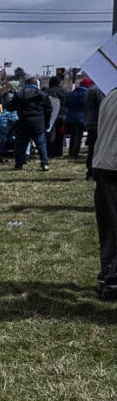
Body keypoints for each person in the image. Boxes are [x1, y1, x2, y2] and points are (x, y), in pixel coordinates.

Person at [92, 85, 117, 301]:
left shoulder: (110, 96)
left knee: (109, 229)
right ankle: (113, 280)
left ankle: (106, 276)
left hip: (103, 164)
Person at [6, 77, 52, 172]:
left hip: (23, 122)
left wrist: (6, 100)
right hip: (38, 122)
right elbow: (49, 109)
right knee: (41, 144)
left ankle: (19, 164)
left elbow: (10, 108)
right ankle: (44, 163)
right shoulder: (42, 94)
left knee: (20, 145)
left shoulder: (19, 94)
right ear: (36, 84)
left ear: (26, 84)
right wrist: (46, 122)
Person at [85, 78, 105, 181]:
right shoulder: (98, 90)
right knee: (97, 148)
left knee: (92, 148)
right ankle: (93, 171)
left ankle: (90, 171)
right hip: (98, 123)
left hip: (91, 122)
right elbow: (103, 105)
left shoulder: (89, 90)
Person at [46, 76, 68, 159]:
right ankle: (59, 152)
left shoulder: (48, 91)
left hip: (51, 115)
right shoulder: (64, 91)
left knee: (51, 134)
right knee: (61, 134)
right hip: (62, 114)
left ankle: (51, 152)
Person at [66, 78, 89, 159]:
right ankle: (74, 153)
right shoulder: (86, 94)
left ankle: (70, 152)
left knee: (72, 136)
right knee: (78, 137)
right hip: (81, 118)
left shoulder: (71, 93)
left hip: (70, 117)